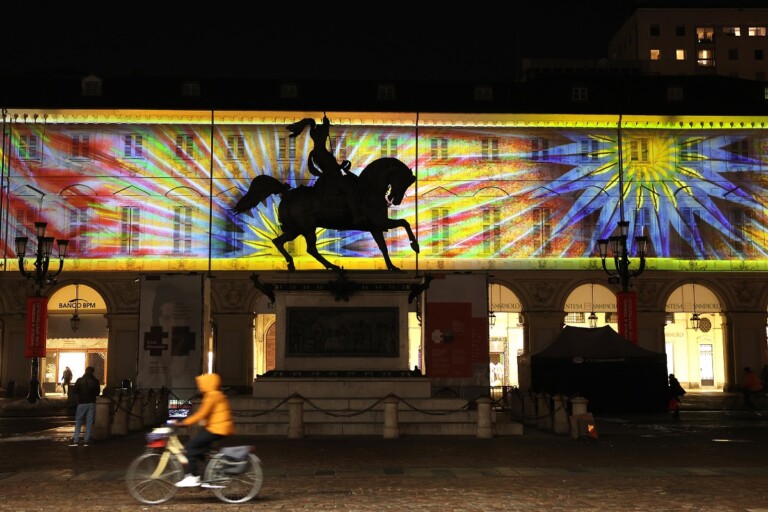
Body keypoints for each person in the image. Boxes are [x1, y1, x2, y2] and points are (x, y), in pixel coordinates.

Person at [287, 115, 365, 223]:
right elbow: (332, 170)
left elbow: (331, 168)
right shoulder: (323, 151)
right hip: (330, 171)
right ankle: (356, 215)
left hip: (323, 160)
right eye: (326, 129)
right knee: (348, 189)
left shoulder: (315, 137)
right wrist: (342, 166)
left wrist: (342, 166)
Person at [172, 373, 234, 487]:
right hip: (217, 428)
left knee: (190, 448)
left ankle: (192, 476)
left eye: (201, 384)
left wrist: (183, 423)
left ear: (208, 384)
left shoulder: (212, 395)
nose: (200, 386)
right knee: (199, 448)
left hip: (216, 429)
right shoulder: (215, 394)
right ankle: (207, 475)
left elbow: (201, 414)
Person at [69, 366, 100, 447]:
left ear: (85, 371)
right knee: (89, 422)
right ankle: (86, 440)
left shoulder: (79, 380)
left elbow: (75, 391)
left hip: (81, 403)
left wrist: (76, 401)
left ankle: (76, 440)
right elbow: (97, 393)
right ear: (93, 372)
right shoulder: (95, 381)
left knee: (78, 421)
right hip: (91, 403)